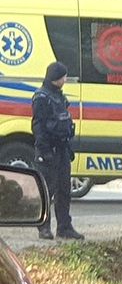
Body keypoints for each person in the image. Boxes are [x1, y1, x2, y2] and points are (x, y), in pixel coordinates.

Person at [32, 61, 83, 240]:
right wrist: (45, 151)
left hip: (61, 149)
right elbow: (39, 126)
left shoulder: (58, 96)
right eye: (63, 76)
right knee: (47, 190)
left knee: (64, 190)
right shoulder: (42, 97)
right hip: (48, 150)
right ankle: (43, 227)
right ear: (56, 78)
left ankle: (64, 227)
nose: (65, 79)